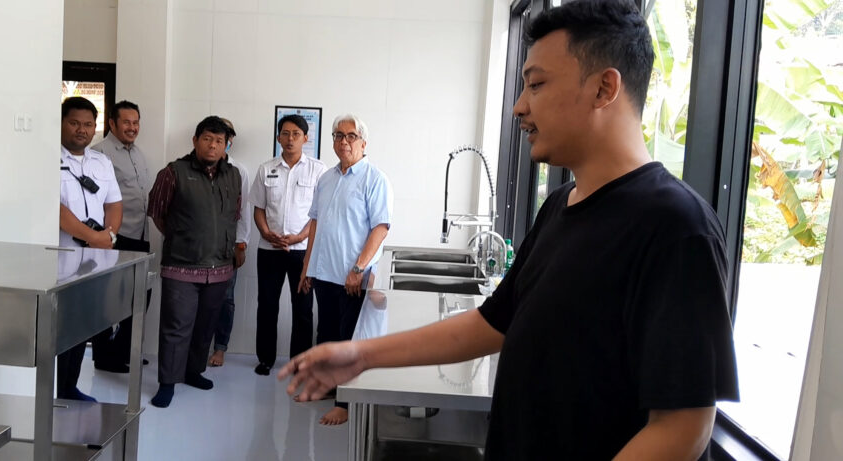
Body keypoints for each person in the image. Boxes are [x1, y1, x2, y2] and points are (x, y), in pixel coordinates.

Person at [279, 1, 740, 459]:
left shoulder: (676, 227)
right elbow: (491, 322)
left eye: (536, 84)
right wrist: (362, 355)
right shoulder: (561, 204)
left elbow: (684, 427)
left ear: (604, 88)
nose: (519, 106)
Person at [297, 113, 392, 425]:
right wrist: (307, 266)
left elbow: (380, 228)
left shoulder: (374, 179)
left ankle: (346, 403)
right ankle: (326, 387)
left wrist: (358, 268)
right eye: (338, 135)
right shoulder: (326, 179)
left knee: (349, 340)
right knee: (326, 335)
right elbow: (315, 223)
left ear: (363, 143)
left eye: (351, 136)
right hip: (324, 272)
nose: (344, 141)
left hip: (352, 276)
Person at [147, 116, 241, 408]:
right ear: (195, 141)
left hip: (220, 267)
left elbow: (234, 214)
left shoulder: (233, 175)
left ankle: (192, 371)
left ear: (226, 145)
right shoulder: (173, 172)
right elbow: (158, 213)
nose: (213, 145)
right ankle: (167, 383)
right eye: (207, 139)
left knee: (205, 326)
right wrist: (184, 237)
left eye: (219, 141)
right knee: (176, 326)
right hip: (182, 266)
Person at [249, 114, 327, 376]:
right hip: (269, 249)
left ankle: (300, 362)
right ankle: (265, 359)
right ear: (278, 137)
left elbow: (319, 214)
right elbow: (258, 208)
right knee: (267, 305)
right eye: (285, 133)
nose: (290, 138)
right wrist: (267, 233)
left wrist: (300, 237)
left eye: (296, 134)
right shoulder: (266, 169)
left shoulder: (318, 170)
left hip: (303, 252)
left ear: (306, 138)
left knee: (303, 308)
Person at [57, 96, 123, 401]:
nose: (81, 130)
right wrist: (93, 237)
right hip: (61, 259)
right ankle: (55, 391)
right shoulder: (47, 160)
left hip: (95, 260)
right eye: (74, 123)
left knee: (81, 326)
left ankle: (70, 388)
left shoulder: (101, 162)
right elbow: (56, 210)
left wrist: (109, 236)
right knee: (60, 329)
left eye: (87, 124)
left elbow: (114, 203)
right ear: (61, 123)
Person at [89, 100, 153, 373]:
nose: (132, 127)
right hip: (115, 237)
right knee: (109, 299)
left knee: (139, 295)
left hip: (140, 235)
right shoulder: (99, 154)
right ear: (112, 124)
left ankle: (126, 350)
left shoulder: (138, 153)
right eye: (126, 122)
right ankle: (105, 357)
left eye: (135, 122)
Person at [207, 118, 251, 367]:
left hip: (228, 246)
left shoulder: (239, 171)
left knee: (226, 299)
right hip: (200, 247)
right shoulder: (191, 167)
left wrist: (241, 244)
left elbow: (243, 211)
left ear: (229, 140)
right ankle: (196, 347)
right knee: (198, 300)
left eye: (223, 136)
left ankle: (220, 348)